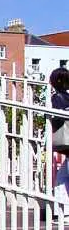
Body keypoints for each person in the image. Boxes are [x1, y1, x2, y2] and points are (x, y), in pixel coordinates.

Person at [50, 67, 69, 212]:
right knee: (62, 177)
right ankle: (62, 212)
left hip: (66, 140)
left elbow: (57, 118)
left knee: (63, 177)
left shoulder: (57, 98)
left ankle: (64, 212)